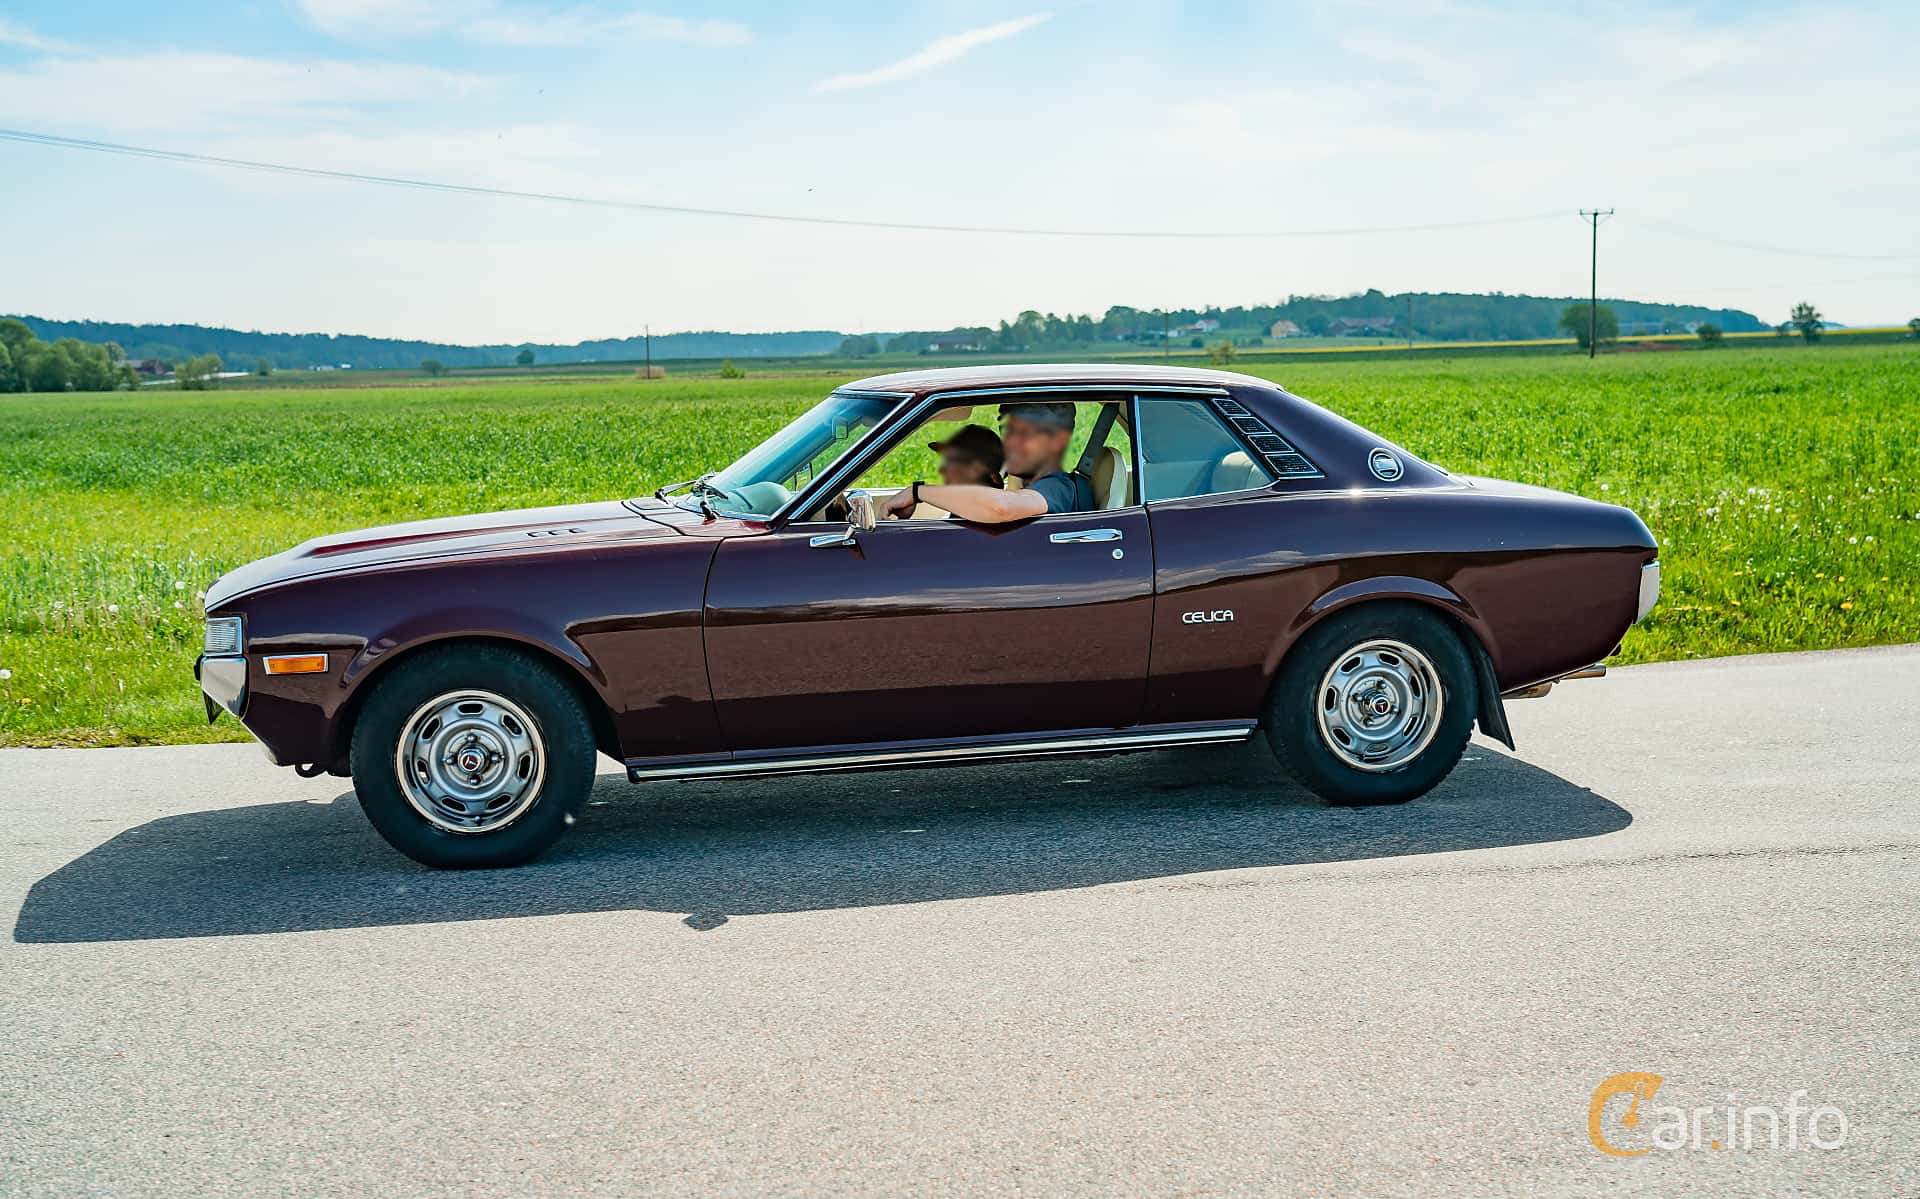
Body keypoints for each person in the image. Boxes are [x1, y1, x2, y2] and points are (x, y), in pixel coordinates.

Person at [882, 402, 1092, 523]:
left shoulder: (1058, 486)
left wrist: (917, 492)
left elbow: (1002, 507)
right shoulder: (1024, 488)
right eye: (1007, 431)